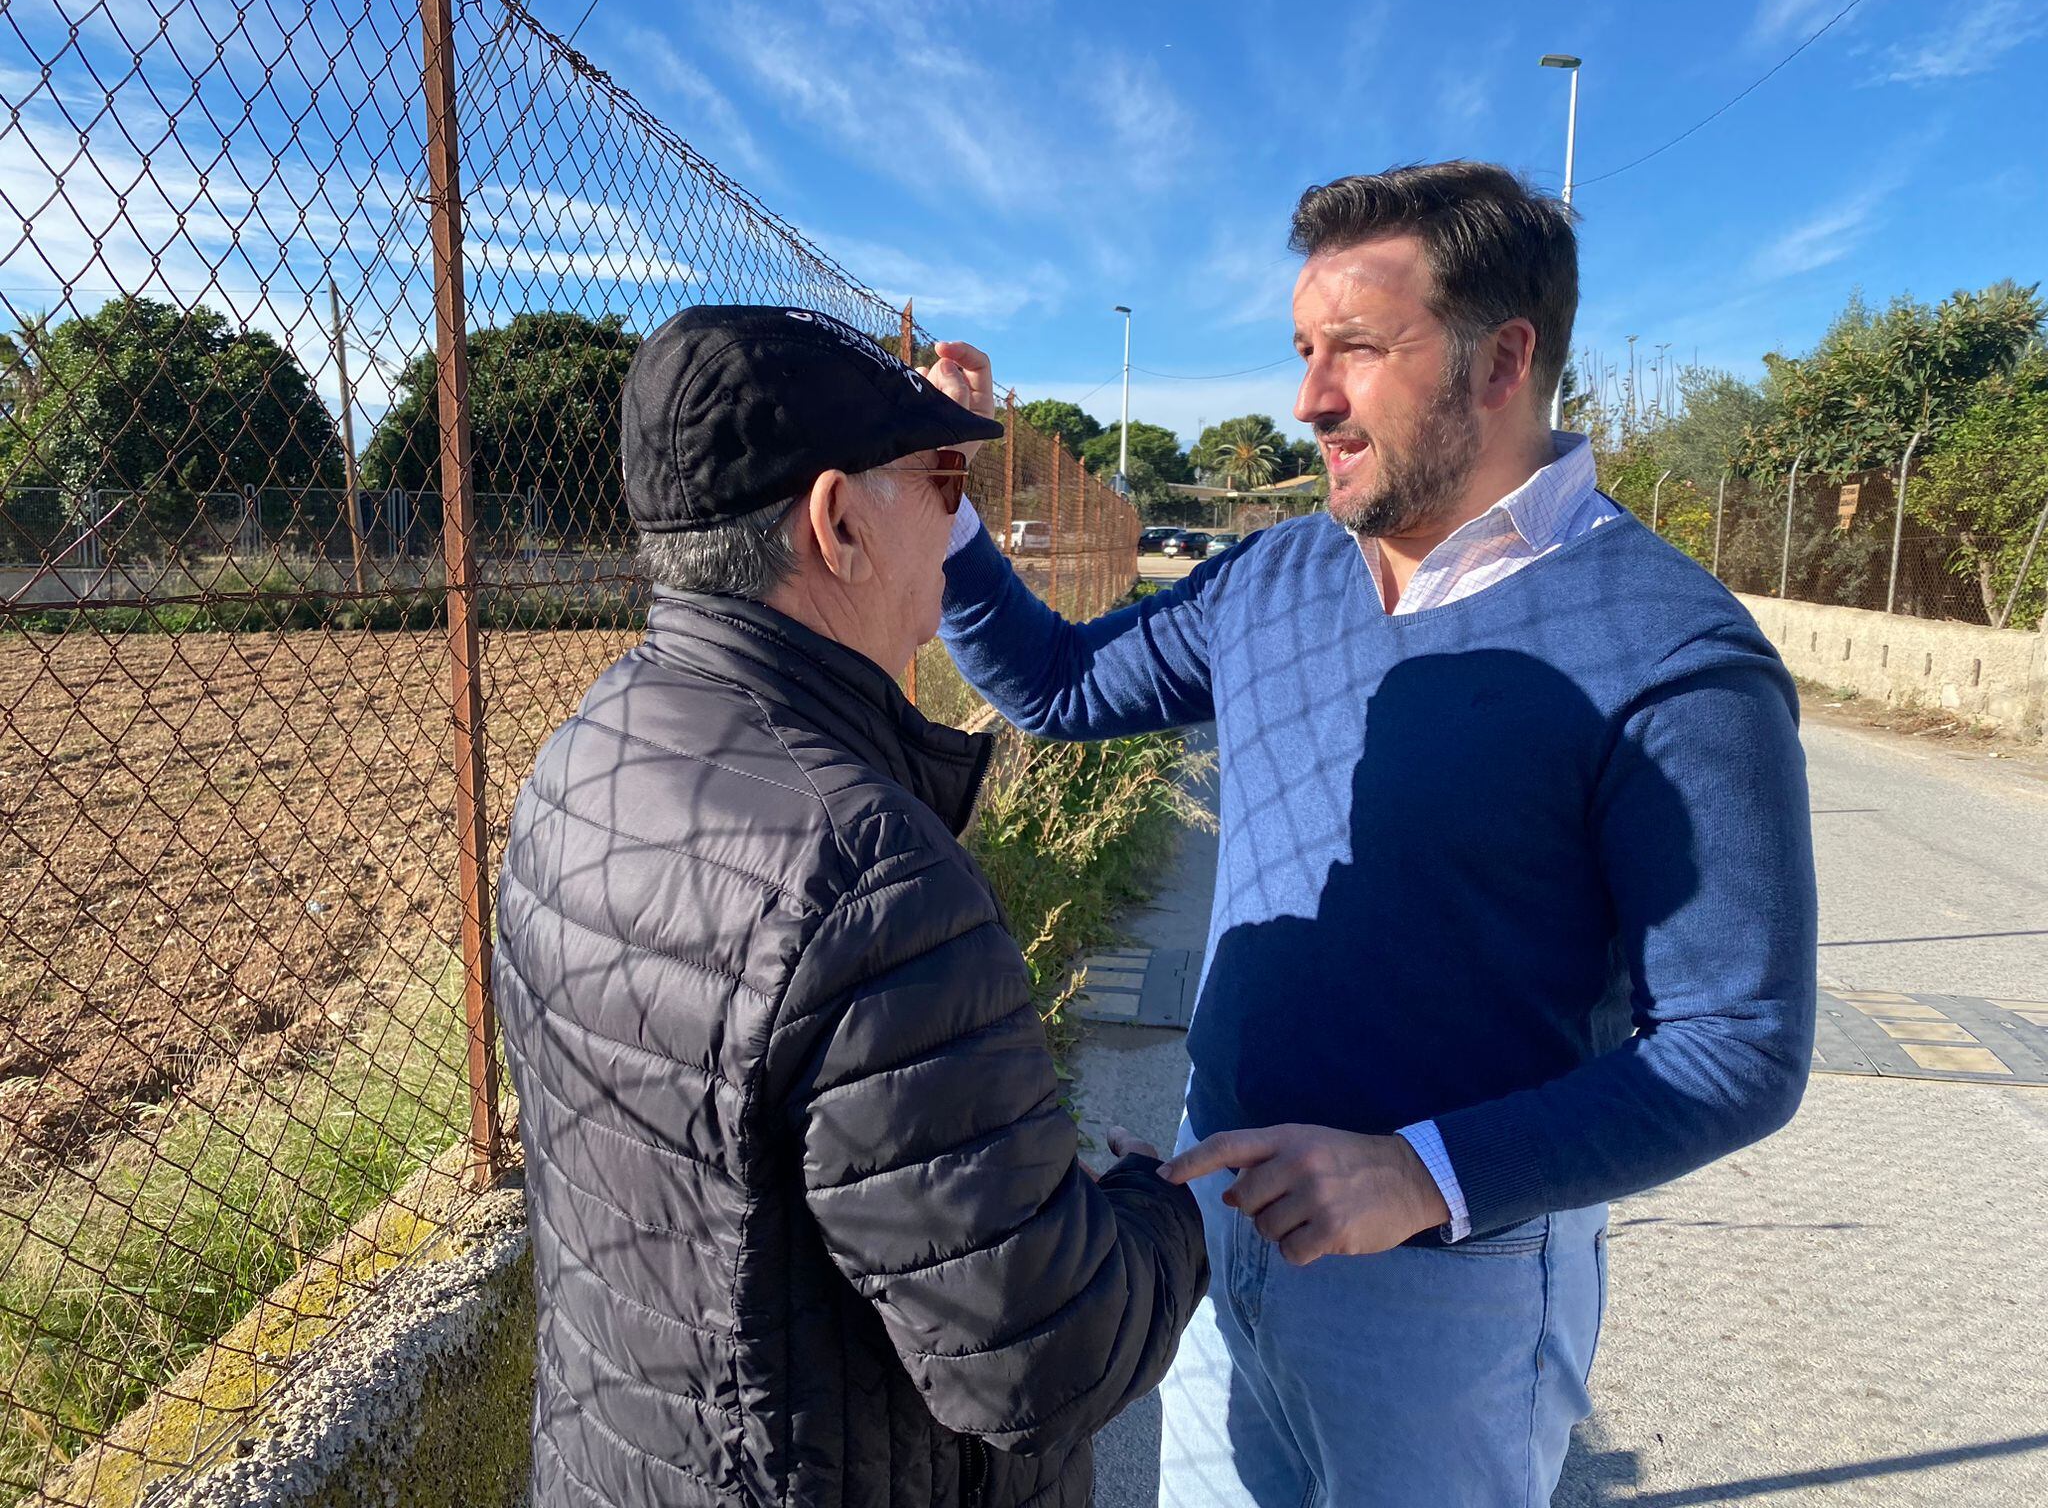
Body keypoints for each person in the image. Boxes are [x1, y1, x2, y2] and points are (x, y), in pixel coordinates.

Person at [924, 162, 1819, 1506]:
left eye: (1356, 350)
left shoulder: (1670, 649)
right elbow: (1055, 687)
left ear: (1500, 358)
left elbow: (1738, 1041)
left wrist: (1421, 1174)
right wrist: (942, 496)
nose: (1308, 399)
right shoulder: (1278, 576)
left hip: (1449, 1300)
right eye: (1302, 349)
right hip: (1221, 1217)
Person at [494, 304, 1208, 1508]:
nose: (959, 518)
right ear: (836, 524)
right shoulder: (868, 878)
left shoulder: (587, 756)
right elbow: (1041, 1352)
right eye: (939, 479)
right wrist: (1169, 1211)